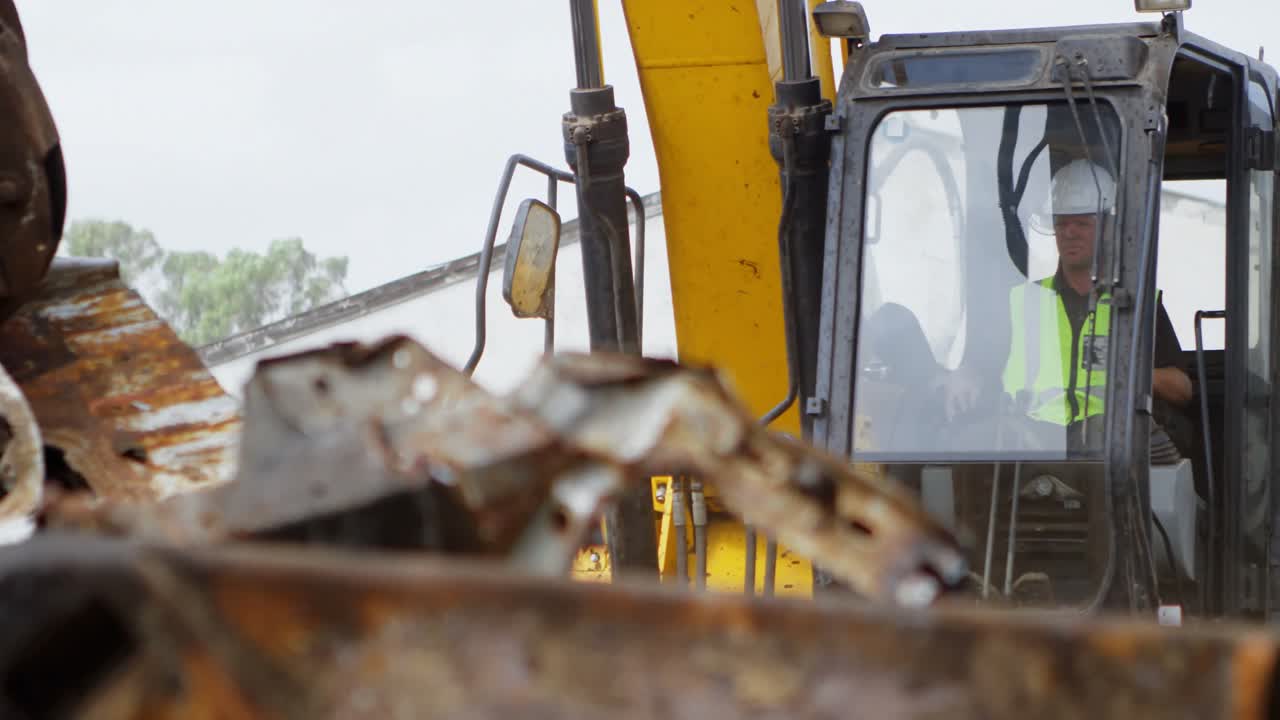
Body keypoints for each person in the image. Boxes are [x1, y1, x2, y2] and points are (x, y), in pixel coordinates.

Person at [946, 159, 1192, 450]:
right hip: (1031, 443)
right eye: (1062, 223)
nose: (1070, 232)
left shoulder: (1138, 303)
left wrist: (1132, 375)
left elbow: (1182, 389)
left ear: (1108, 228)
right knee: (957, 442)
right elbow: (980, 368)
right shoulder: (1023, 300)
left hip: (1111, 451)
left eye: (1082, 224)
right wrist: (964, 377)